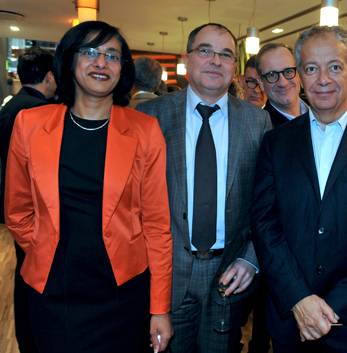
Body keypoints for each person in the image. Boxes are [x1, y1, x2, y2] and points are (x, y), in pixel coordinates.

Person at [4, 21, 173, 353]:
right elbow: (17, 210)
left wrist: (160, 307)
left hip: (122, 294)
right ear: (69, 59)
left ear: (123, 69)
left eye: (112, 55)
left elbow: (157, 226)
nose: (101, 62)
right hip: (53, 292)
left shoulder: (145, 130)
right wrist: (42, 247)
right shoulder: (30, 124)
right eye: (90, 52)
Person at [251, 25, 347, 353]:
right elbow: (265, 224)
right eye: (311, 68)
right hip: (290, 319)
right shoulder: (275, 142)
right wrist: (299, 298)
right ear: (300, 76)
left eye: (334, 67)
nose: (323, 79)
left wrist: (337, 305)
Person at [136, 22, 271, 353]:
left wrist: (252, 260)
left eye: (226, 54)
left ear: (235, 69)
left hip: (230, 275)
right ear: (187, 60)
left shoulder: (257, 122)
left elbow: (269, 201)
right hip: (166, 273)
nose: (216, 60)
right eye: (206, 50)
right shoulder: (149, 116)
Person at [0, 45, 56, 353]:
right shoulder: (35, 113)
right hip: (31, 212)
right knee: (31, 278)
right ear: (50, 77)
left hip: (14, 207)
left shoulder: (10, 104)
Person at [256, 43, 308, 127]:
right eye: (272, 75)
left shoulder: (320, 109)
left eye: (288, 71)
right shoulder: (261, 130)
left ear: (299, 74)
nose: (283, 83)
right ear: (261, 83)